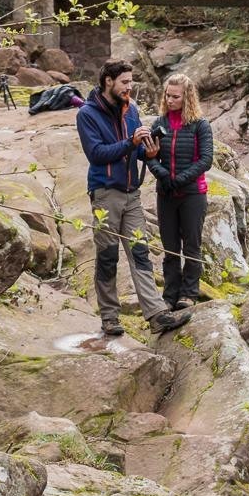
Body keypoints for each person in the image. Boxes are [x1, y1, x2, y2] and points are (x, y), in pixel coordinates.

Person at [76, 59, 191, 336]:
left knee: (140, 253)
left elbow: (138, 152)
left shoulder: (132, 110)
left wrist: (148, 151)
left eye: (131, 81)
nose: (130, 86)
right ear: (108, 82)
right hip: (105, 194)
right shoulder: (87, 114)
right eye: (125, 82)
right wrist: (131, 143)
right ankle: (110, 318)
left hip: (132, 195)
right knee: (107, 257)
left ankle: (155, 314)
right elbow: (96, 154)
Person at [145, 73, 214, 311]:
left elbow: (206, 160)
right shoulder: (159, 123)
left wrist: (181, 179)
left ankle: (189, 294)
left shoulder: (200, 125)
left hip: (193, 194)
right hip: (166, 194)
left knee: (192, 246)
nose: (170, 99)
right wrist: (163, 176)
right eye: (168, 95)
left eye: (175, 96)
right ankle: (170, 294)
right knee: (170, 247)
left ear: (187, 98)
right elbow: (148, 154)